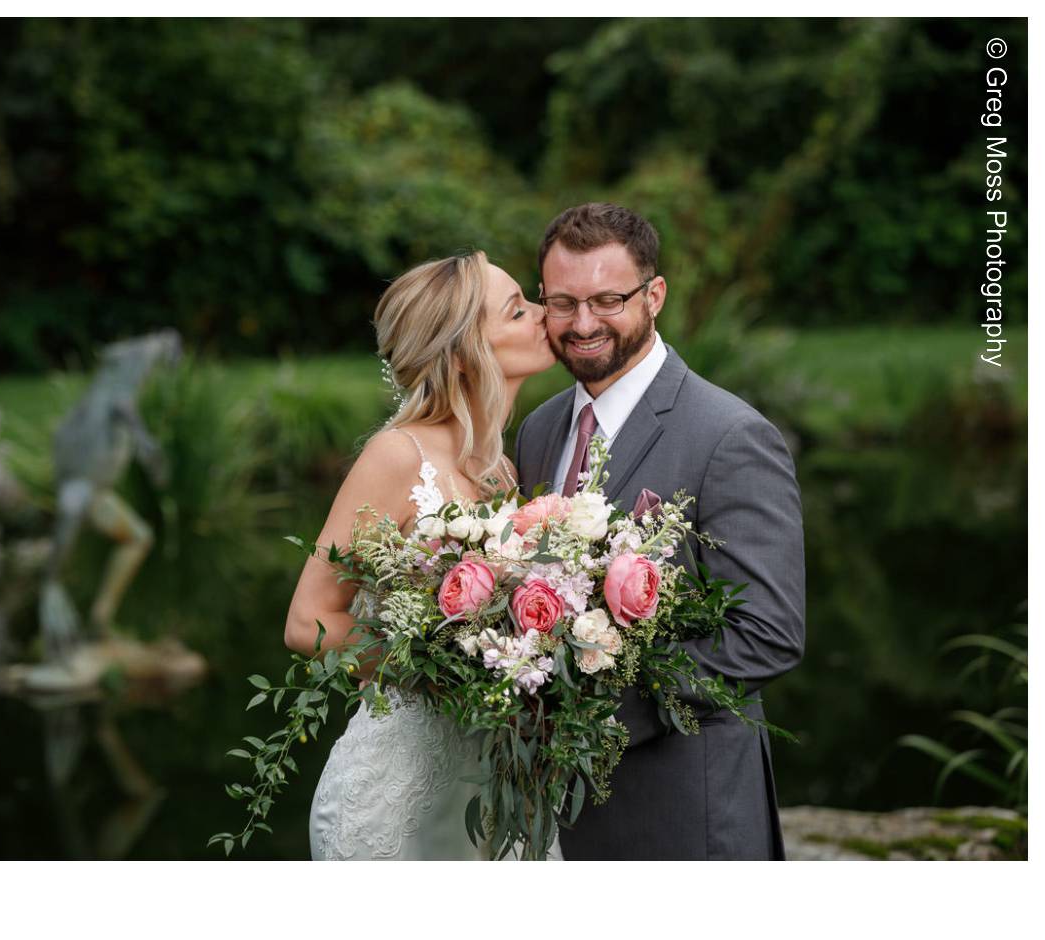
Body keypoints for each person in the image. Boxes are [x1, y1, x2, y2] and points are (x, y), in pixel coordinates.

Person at [514, 203, 805, 860]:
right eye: (562, 303)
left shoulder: (730, 438)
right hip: (559, 814)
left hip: (686, 813)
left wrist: (600, 713)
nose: (583, 323)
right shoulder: (538, 430)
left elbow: (767, 635)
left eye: (607, 300)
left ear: (655, 296)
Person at [284, 249, 557, 860]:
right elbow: (307, 621)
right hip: (397, 799)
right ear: (465, 354)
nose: (544, 314)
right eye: (518, 311)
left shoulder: (502, 472)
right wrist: (441, 674)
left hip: (490, 790)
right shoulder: (397, 456)